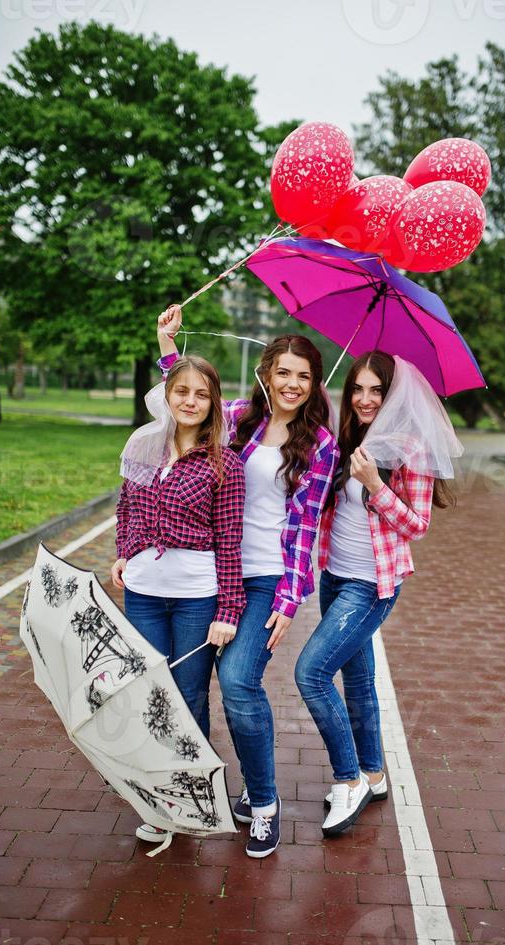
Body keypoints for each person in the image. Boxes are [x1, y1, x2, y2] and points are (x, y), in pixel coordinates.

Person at [157, 306, 339, 857]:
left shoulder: (321, 445)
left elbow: (306, 529)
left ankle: (264, 802)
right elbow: (187, 401)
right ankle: (197, 789)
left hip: (265, 582)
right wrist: (166, 347)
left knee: (238, 682)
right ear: (267, 373)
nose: (293, 384)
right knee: (190, 687)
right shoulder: (237, 418)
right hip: (210, 571)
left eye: (304, 375)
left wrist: (289, 599)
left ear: (314, 383)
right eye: (283, 372)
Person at [294, 350, 462, 836]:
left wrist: (374, 484)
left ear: (392, 396)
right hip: (335, 576)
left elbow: (418, 525)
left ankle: (349, 780)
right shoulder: (343, 436)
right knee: (359, 680)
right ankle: (373, 770)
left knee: (311, 673)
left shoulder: (411, 450)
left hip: (372, 586)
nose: (366, 399)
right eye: (359, 389)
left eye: (377, 391)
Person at [111, 352, 246, 844]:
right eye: (182, 391)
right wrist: (124, 552)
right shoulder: (145, 446)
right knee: (151, 692)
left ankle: (192, 792)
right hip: (143, 593)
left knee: (188, 697)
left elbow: (230, 540)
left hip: (195, 596)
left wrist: (229, 610)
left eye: (201, 393)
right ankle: (158, 798)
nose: (190, 401)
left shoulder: (225, 463)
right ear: (167, 395)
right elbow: (126, 506)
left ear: (213, 403)